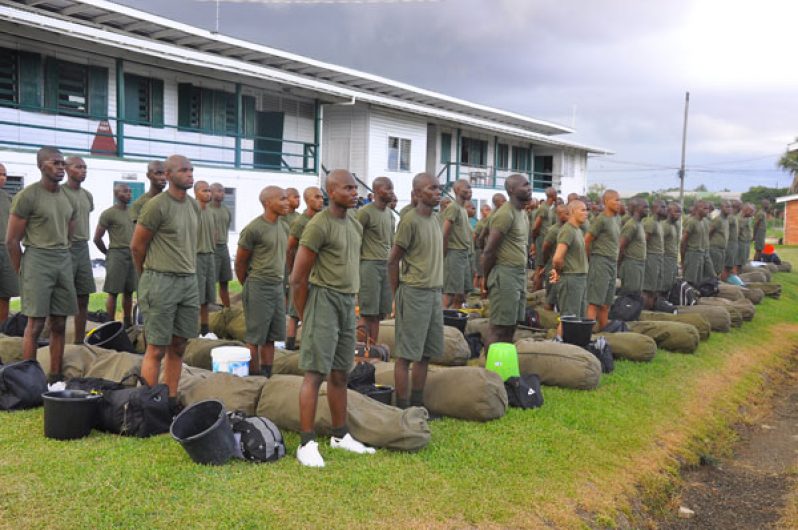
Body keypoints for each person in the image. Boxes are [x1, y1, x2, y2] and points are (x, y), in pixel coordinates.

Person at [290, 169, 375, 468]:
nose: (355, 193)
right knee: (314, 374)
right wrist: (306, 316)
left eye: (355, 188)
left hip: (345, 303)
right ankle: (306, 442)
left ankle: (341, 436)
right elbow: (297, 279)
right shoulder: (318, 225)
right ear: (332, 191)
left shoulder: (354, 223)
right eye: (348, 188)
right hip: (322, 300)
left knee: (340, 373)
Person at [131, 155, 199, 409]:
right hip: (160, 280)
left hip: (187, 282)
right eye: (183, 170)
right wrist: (148, 277)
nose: (189, 174)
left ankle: (169, 400)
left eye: (191, 170)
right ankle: (148, 406)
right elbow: (137, 247)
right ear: (168, 175)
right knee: (156, 347)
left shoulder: (193, 206)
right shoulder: (156, 206)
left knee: (179, 345)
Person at [6, 147, 76, 383]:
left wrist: (65, 252)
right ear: (40, 166)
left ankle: (55, 376)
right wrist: (21, 269)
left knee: (59, 322)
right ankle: (29, 379)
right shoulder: (28, 196)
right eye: (55, 163)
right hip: (37, 258)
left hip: (62, 259)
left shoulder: (68, 196)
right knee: (35, 324)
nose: (60, 167)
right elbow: (12, 240)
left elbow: (70, 228)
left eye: (62, 163)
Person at [388, 172, 444, 411]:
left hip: (433, 294)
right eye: (432, 188)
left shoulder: (435, 219)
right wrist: (397, 294)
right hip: (414, 293)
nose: (438, 192)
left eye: (439, 188)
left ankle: (418, 404)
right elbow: (392, 261)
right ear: (418, 193)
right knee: (406, 355)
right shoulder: (409, 221)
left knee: (426, 354)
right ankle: (402, 407)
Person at [235, 186, 289, 378]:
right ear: (268, 203)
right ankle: (254, 374)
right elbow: (240, 262)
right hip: (258, 285)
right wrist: (249, 286)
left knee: (272, 336)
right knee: (255, 336)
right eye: (282, 199)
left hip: (276, 286)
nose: (287, 202)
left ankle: (267, 373)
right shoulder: (254, 229)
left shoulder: (283, 225)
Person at [481, 174, 531, 349]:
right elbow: (489, 250)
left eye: (529, 184)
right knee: (499, 326)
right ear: (511, 190)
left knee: (512, 324)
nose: (529, 188)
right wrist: (485, 279)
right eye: (525, 185)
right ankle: (490, 369)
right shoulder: (505, 214)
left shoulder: (522, 213)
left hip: (519, 274)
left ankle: (503, 366)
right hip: (505, 274)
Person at [356, 176, 395, 343]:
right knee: (367, 313)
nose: (392, 193)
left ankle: (373, 349)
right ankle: (361, 352)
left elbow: (392, 242)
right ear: (377, 191)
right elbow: (355, 240)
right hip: (369, 265)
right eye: (388, 189)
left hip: (385, 266)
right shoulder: (365, 212)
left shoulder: (390, 215)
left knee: (379, 314)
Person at [285, 186, 324, 351]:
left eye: (322, 197)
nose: (321, 200)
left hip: (317, 273)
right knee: (295, 312)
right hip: (302, 272)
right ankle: (290, 344)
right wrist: (293, 269)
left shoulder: (322, 219)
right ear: (308, 201)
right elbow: (290, 248)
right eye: (317, 197)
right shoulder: (301, 222)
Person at [61, 156, 96, 344]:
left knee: (83, 297)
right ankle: (50, 341)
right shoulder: (60, 193)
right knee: (59, 300)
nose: (83, 170)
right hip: (64, 248)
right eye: (78, 167)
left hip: (83, 248)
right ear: (66, 169)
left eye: (85, 167)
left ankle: (79, 342)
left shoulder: (87, 195)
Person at [93, 183, 136, 326]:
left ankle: (128, 322)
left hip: (132, 254)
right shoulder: (108, 213)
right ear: (116, 194)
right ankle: (109, 322)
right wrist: (108, 252)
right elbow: (97, 238)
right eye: (125, 191)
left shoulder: (134, 212)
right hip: (116, 254)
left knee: (129, 291)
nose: (129, 194)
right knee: (113, 291)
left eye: (130, 191)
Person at [550, 200, 589, 337]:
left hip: (579, 278)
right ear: (572, 212)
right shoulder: (567, 230)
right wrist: (559, 272)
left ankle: (571, 346)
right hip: (571, 278)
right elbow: (557, 258)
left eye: (586, 210)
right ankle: (560, 345)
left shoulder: (577, 230)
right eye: (582, 210)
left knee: (576, 316)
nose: (586, 213)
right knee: (568, 318)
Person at [584, 189, 620, 330]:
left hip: (612, 262)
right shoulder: (601, 219)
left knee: (606, 303)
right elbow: (586, 240)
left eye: (619, 200)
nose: (619, 203)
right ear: (606, 201)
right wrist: (589, 259)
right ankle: (587, 333)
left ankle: (605, 330)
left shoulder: (617, 219)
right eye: (615, 200)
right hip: (601, 262)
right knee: (595, 302)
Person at [442, 179, 473, 308]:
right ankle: (438, 322)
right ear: (457, 190)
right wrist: (443, 255)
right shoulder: (453, 208)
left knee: (461, 295)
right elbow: (445, 233)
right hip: (454, 253)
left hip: (463, 254)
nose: (470, 191)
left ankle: (454, 322)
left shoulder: (463, 210)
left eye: (471, 189)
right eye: (467, 188)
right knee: (450, 294)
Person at [193, 181, 216, 338]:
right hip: (196, 256)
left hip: (209, 256)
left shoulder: (210, 211)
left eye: (209, 190)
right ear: (196, 193)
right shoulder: (191, 209)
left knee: (207, 298)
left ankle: (205, 329)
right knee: (195, 296)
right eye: (204, 190)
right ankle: (192, 329)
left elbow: (214, 232)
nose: (208, 193)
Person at [0, 163, 19, 322]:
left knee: (5, 293)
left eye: (5, 175)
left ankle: (2, 330)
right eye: (0, 174)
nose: (3, 178)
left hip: (5, 251)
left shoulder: (9, 199)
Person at [540, 204, 568, 310]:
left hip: (564, 268)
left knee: (561, 296)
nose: (568, 215)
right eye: (565, 213)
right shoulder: (554, 230)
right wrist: (547, 263)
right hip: (553, 269)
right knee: (551, 295)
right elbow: (545, 247)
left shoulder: (568, 228)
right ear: (559, 215)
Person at [618, 198, 647, 297]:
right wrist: (618, 267)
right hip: (631, 264)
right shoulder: (631, 225)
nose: (648, 210)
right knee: (629, 295)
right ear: (637, 208)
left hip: (639, 264)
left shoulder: (640, 224)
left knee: (636, 294)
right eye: (645, 207)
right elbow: (620, 246)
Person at [209, 183, 232, 308]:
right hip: (212, 249)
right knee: (211, 280)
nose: (222, 193)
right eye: (218, 191)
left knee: (225, 280)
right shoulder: (207, 209)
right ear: (211, 192)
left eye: (223, 191)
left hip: (224, 247)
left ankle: (227, 308)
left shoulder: (226, 210)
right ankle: (210, 306)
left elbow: (227, 225)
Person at [642, 199, 665, 309]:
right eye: (662, 207)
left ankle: (653, 309)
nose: (665, 210)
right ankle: (646, 311)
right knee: (649, 289)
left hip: (658, 257)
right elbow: (644, 241)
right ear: (655, 209)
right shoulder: (650, 222)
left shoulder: (659, 223)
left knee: (655, 288)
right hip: (651, 257)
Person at [681, 201, 709, 287]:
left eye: (708, 208)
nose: (707, 210)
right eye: (705, 208)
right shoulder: (692, 222)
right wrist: (683, 259)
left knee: (698, 280)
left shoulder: (704, 221)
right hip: (692, 254)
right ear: (697, 209)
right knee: (690, 281)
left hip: (701, 254)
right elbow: (683, 241)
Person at [531, 186, 556, 262]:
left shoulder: (548, 208)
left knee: (543, 264)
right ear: (553, 195)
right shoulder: (543, 208)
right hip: (542, 239)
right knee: (540, 265)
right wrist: (534, 242)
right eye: (555, 193)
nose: (556, 196)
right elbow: (536, 226)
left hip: (546, 238)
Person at [661, 202, 681, 295]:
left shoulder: (675, 225)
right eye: (676, 212)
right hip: (666, 258)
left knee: (671, 282)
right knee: (664, 283)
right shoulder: (664, 226)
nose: (679, 214)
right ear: (668, 212)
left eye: (680, 212)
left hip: (673, 258)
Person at [709, 200, 730, 278]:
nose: (729, 209)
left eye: (730, 207)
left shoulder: (726, 219)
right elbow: (709, 232)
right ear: (721, 208)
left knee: (719, 270)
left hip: (722, 249)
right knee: (714, 271)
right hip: (715, 249)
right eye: (727, 207)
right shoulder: (718, 220)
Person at [472, 203, 492, 290]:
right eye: (486, 210)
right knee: (480, 273)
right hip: (480, 250)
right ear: (482, 212)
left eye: (489, 210)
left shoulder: (489, 221)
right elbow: (474, 236)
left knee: (482, 273)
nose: (488, 212)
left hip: (486, 250)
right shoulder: (481, 223)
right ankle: (476, 291)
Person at [725, 200, 741, 277]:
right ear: (737, 207)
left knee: (732, 263)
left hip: (734, 243)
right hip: (730, 243)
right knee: (727, 266)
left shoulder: (734, 217)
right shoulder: (730, 217)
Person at [737, 203, 754, 268]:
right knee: (740, 262)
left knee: (745, 260)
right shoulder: (739, 219)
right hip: (741, 242)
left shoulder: (748, 218)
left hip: (747, 241)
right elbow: (737, 232)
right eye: (751, 212)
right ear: (746, 210)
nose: (752, 214)